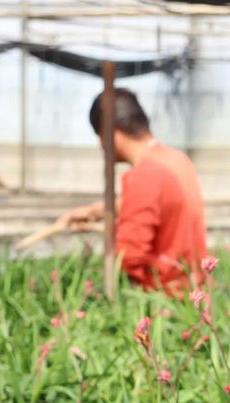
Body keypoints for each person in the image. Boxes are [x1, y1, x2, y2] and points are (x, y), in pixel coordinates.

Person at [60, 88, 206, 294]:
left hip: (164, 300)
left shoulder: (144, 176)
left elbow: (129, 255)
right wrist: (96, 211)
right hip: (193, 292)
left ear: (111, 134)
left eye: (99, 136)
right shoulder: (176, 160)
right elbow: (163, 203)